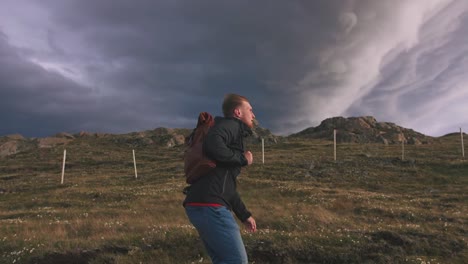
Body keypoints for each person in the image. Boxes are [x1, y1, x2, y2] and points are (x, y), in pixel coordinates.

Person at [183, 94, 257, 264]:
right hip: (211, 206)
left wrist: (244, 215)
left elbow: (227, 186)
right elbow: (212, 144)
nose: (253, 115)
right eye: (250, 110)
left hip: (200, 203)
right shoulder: (232, 125)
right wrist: (243, 159)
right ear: (237, 112)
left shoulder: (229, 132)